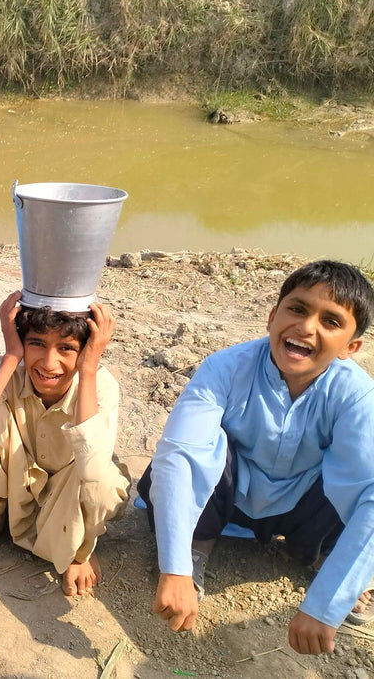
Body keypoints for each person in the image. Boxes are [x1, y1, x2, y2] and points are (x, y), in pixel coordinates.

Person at [139, 260, 374, 655]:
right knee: (182, 458)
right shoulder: (224, 368)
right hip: (232, 497)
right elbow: (180, 456)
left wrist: (326, 605)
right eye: (297, 309)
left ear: (351, 348)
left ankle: (334, 567)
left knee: (361, 480)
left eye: (330, 321)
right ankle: (198, 547)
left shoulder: (356, 396)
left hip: (305, 504)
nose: (307, 327)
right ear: (272, 317)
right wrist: (174, 566)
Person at [0, 290, 130, 596]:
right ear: (21, 341)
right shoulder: (7, 368)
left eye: (67, 349)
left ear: (84, 351)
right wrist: (11, 357)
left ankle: (78, 549)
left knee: (105, 482)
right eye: (36, 344)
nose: (49, 362)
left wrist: (89, 368)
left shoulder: (101, 384)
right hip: (16, 481)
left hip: (66, 489)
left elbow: (93, 472)